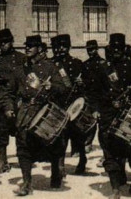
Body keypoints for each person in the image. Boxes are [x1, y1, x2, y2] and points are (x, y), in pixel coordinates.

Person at [12, 34, 70, 195]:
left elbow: (65, 88)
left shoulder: (51, 67)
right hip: (26, 112)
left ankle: (56, 173)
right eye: (26, 46)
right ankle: (26, 183)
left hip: (45, 111)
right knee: (22, 146)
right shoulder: (20, 69)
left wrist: (52, 86)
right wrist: (10, 108)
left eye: (31, 46)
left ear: (40, 49)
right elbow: (11, 92)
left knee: (51, 145)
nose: (27, 48)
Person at [99, 33, 131, 199]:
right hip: (109, 114)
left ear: (124, 49)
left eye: (119, 48)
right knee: (108, 149)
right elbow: (96, 92)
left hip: (129, 114)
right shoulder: (104, 68)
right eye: (113, 48)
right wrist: (107, 103)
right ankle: (115, 188)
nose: (116, 51)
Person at [50, 33, 86, 174]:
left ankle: (82, 158)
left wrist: (81, 83)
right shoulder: (51, 64)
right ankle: (61, 165)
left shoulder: (76, 63)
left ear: (69, 47)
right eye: (57, 47)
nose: (60, 49)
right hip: (58, 102)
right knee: (60, 136)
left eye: (64, 46)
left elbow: (85, 83)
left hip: (73, 103)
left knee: (78, 135)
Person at [0, 28, 26, 174]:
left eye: (5, 42)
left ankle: (23, 159)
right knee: (1, 131)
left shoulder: (22, 58)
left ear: (11, 42)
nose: (3, 45)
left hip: (19, 99)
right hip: (2, 100)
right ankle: (3, 162)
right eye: (0, 43)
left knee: (21, 131)